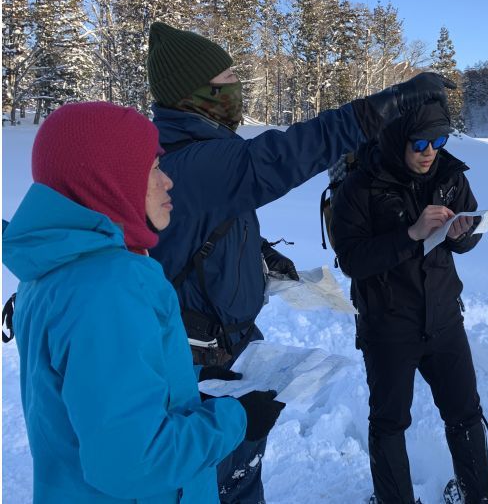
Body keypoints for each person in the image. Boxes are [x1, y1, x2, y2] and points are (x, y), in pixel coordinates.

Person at [145, 21, 455, 503]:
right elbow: (282, 157)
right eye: (227, 82)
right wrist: (388, 104)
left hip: (227, 351)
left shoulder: (199, 150)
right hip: (200, 364)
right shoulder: (195, 161)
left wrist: (258, 257)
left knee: (240, 476)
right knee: (219, 483)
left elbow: (208, 230)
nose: (237, 90)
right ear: (197, 94)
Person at [2, 102, 282, 503]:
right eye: (152, 168)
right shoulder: (107, 287)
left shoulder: (58, 267)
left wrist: (186, 389)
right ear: (109, 179)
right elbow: (134, 463)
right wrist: (237, 421)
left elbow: (92, 402)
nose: (167, 182)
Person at [330, 100, 488, 504]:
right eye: (420, 142)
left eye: (438, 141)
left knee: (465, 413)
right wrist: (411, 233)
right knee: (389, 423)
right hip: (388, 325)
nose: (429, 152)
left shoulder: (449, 174)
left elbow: (469, 233)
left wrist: (462, 233)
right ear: (396, 139)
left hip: (443, 317)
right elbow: (352, 259)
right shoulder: (361, 185)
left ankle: (481, 498)